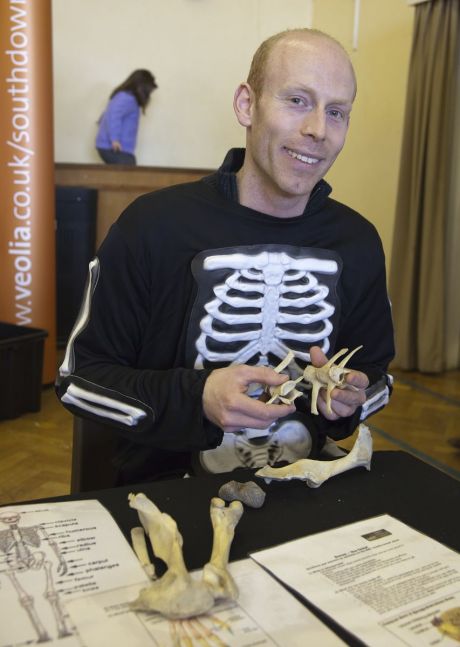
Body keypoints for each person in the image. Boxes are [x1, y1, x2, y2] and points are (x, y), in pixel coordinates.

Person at [57, 28, 394, 484]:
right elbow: (80, 379)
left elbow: (376, 376)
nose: (317, 129)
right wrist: (197, 397)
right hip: (171, 498)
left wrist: (348, 401)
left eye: (336, 112)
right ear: (246, 105)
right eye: (297, 100)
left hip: (305, 494)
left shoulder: (357, 241)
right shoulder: (153, 227)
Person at [95, 69, 157, 165]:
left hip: (115, 147)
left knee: (127, 174)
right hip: (115, 147)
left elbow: (108, 114)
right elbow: (113, 116)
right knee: (129, 174)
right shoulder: (127, 98)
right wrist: (114, 139)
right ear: (142, 87)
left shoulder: (124, 96)